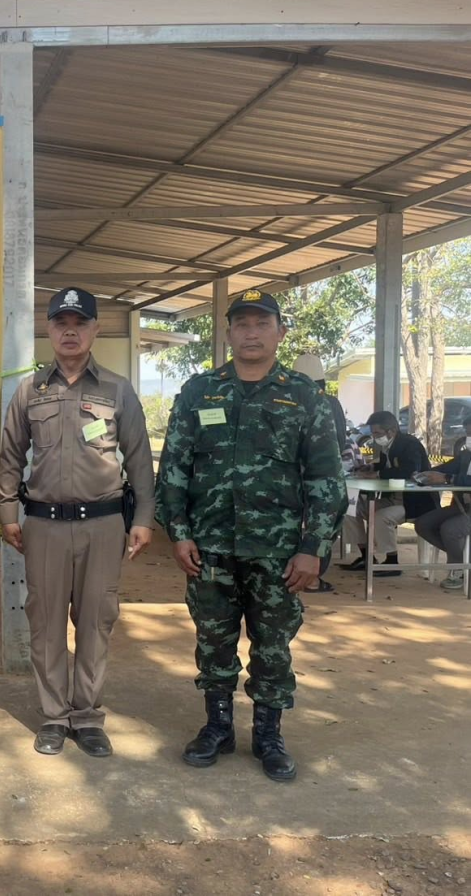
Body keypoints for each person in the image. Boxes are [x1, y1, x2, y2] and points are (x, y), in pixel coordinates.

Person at [155, 289, 347, 782]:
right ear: (228, 333)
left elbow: (326, 481)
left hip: (278, 552)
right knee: (214, 641)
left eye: (263, 323)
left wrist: (313, 549)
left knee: (273, 646)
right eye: (242, 324)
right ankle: (218, 727)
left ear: (280, 332)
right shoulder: (199, 392)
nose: (252, 332)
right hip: (211, 548)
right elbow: (173, 469)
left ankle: (268, 735)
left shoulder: (305, 396)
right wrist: (178, 533)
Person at [0, 286, 156, 760]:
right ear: (49, 329)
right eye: (61, 323)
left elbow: (140, 459)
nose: (70, 331)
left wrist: (143, 518)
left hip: (104, 524)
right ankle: (53, 717)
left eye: (80, 323)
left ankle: (87, 717)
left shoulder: (116, 389)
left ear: (94, 329)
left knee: (95, 622)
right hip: (44, 524)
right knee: (45, 623)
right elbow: (9, 457)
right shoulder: (30, 390)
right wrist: (7, 511)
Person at [339, 411, 437, 577]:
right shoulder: (387, 445)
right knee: (348, 507)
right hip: (391, 498)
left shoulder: (409, 444)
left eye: (377, 433)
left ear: (391, 431)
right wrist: (370, 468)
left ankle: (392, 561)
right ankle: (366, 556)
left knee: (380, 517)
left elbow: (409, 470)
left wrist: (376, 475)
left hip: (414, 502)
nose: (374, 437)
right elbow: (385, 466)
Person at [291, 353, 350, 593]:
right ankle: (313, 578)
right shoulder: (329, 403)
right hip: (322, 478)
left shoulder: (285, 399)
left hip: (291, 477)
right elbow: (340, 440)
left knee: (294, 524)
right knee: (324, 525)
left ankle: (291, 573)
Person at [414, 448, 471, 591]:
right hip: (462, 506)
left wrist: (448, 478)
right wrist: (424, 474)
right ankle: (462, 559)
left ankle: (457, 568)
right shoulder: (466, 455)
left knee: (450, 529)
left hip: (465, 510)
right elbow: (444, 469)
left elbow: (447, 475)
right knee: (423, 524)